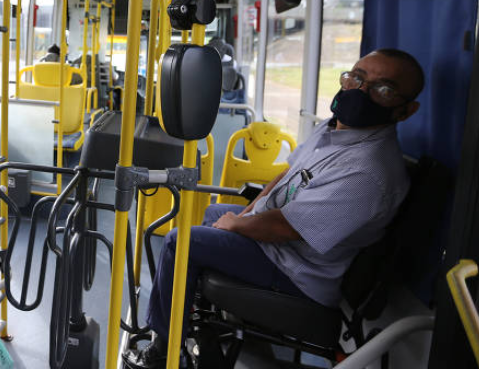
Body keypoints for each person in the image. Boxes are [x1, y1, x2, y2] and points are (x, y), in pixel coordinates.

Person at [124, 48, 425, 369]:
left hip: (296, 271)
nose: (360, 92)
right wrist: (244, 215)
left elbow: (286, 228)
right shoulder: (335, 129)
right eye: (357, 78)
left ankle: (163, 347)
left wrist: (238, 226)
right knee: (211, 214)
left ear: (405, 110)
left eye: (383, 90)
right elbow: (285, 176)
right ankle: (189, 312)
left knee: (180, 242)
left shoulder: (368, 171)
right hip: (283, 249)